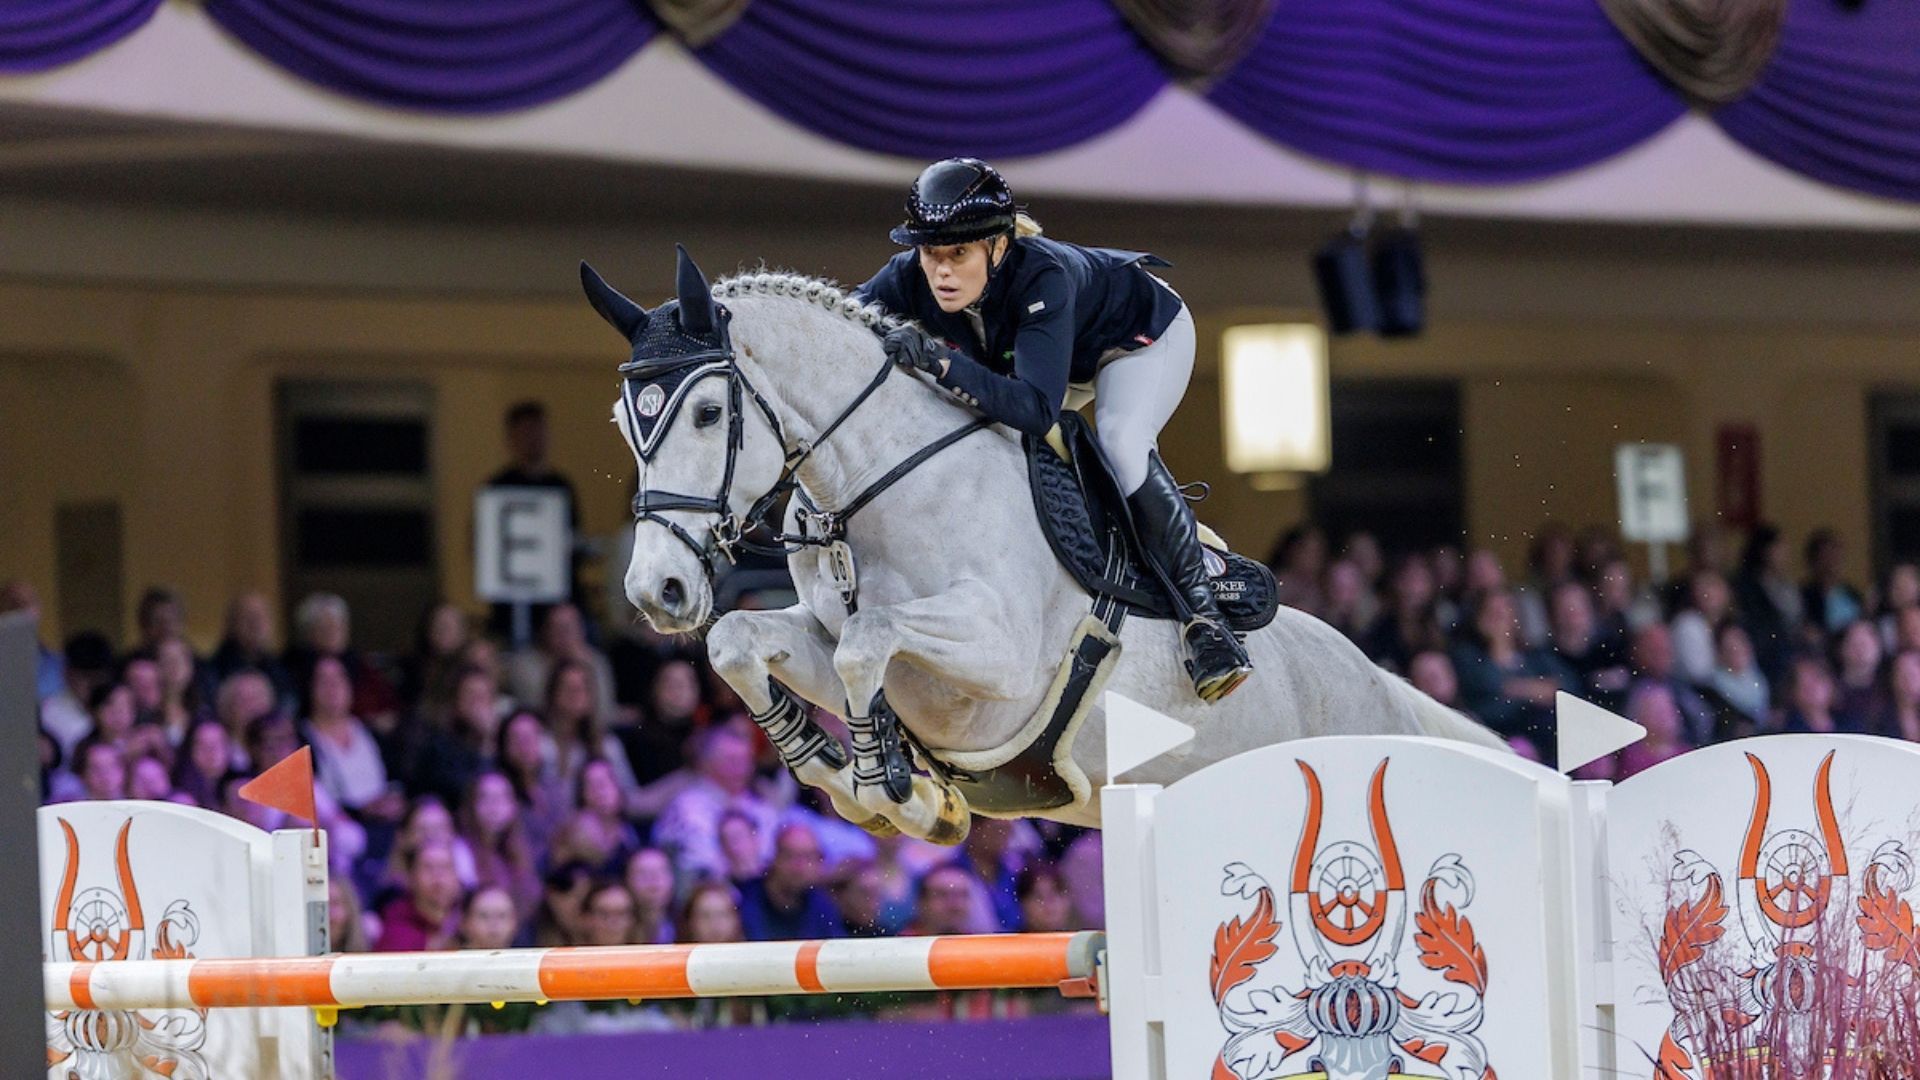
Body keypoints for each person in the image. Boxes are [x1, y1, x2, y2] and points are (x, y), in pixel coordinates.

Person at [856, 157, 1249, 703]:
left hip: (1136, 339)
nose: (941, 271)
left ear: (997, 245)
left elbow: (1038, 408)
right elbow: (839, 321)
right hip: (1051, 362)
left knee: (1120, 441)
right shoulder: (907, 275)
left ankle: (1205, 622)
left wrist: (941, 364)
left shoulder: (1042, 274)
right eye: (930, 253)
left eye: (959, 254)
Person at [485, 401, 586, 644]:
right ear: (511, 437)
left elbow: (573, 541)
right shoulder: (498, 487)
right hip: (511, 607)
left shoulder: (561, 486)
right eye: (526, 432)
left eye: (539, 431)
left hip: (560, 601)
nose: (534, 439)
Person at [737, 824, 845, 941]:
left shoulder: (822, 904)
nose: (799, 867)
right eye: (790, 856)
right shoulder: (743, 900)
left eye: (808, 857)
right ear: (775, 858)